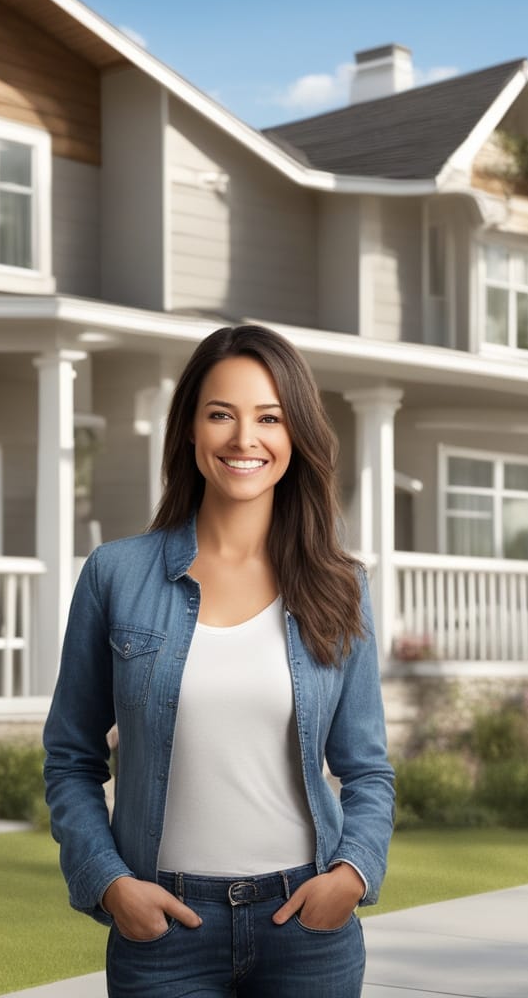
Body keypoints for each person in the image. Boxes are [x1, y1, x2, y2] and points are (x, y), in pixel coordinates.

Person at [43, 325, 395, 997]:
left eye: (269, 417)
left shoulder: (340, 585)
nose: (244, 439)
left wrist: (351, 875)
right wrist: (111, 885)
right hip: (164, 934)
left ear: (296, 435)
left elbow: (367, 767)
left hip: (307, 930)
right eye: (220, 415)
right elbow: (70, 758)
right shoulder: (116, 575)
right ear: (189, 429)